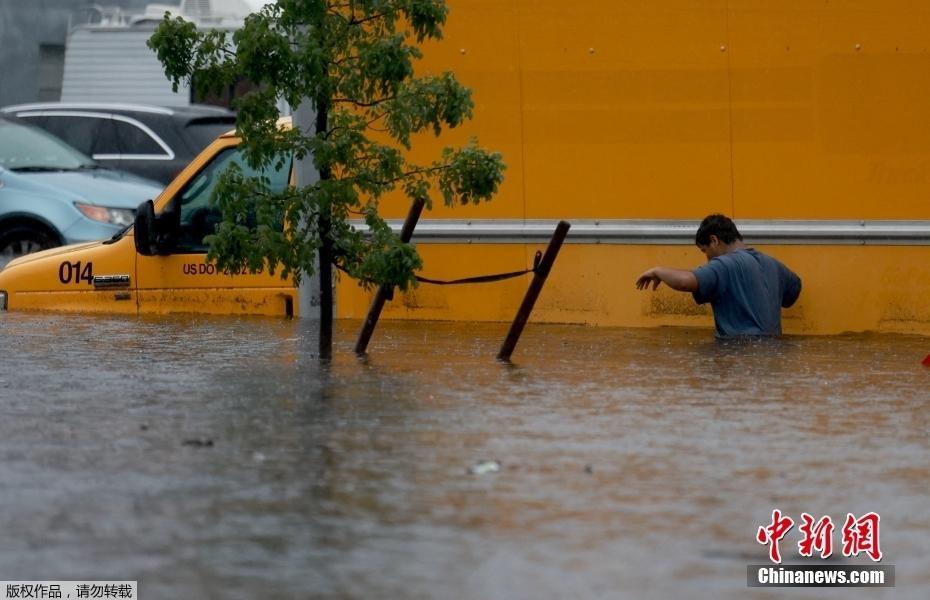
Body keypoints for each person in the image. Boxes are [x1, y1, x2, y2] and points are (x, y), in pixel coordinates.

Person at [635, 214, 801, 337]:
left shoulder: (724, 265)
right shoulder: (774, 265)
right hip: (772, 354)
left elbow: (686, 282)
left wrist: (658, 270)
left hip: (737, 353)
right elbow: (794, 291)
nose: (707, 258)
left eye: (704, 250)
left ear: (714, 240)